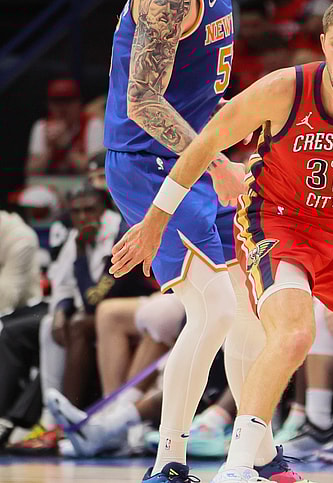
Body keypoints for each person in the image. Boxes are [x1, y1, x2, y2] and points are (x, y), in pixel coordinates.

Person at [110, 1, 333, 483]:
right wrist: (157, 219)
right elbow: (201, 141)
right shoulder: (287, 86)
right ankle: (227, 467)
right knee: (281, 330)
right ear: (323, 44)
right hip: (271, 224)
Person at [97, 0, 298, 482]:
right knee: (214, 310)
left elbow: (191, 81)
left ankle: (260, 453)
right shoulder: (167, 3)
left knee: (247, 311)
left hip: (201, 154)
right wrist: (214, 159)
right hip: (150, 162)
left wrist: (223, 116)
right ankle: (168, 461)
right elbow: (142, 100)